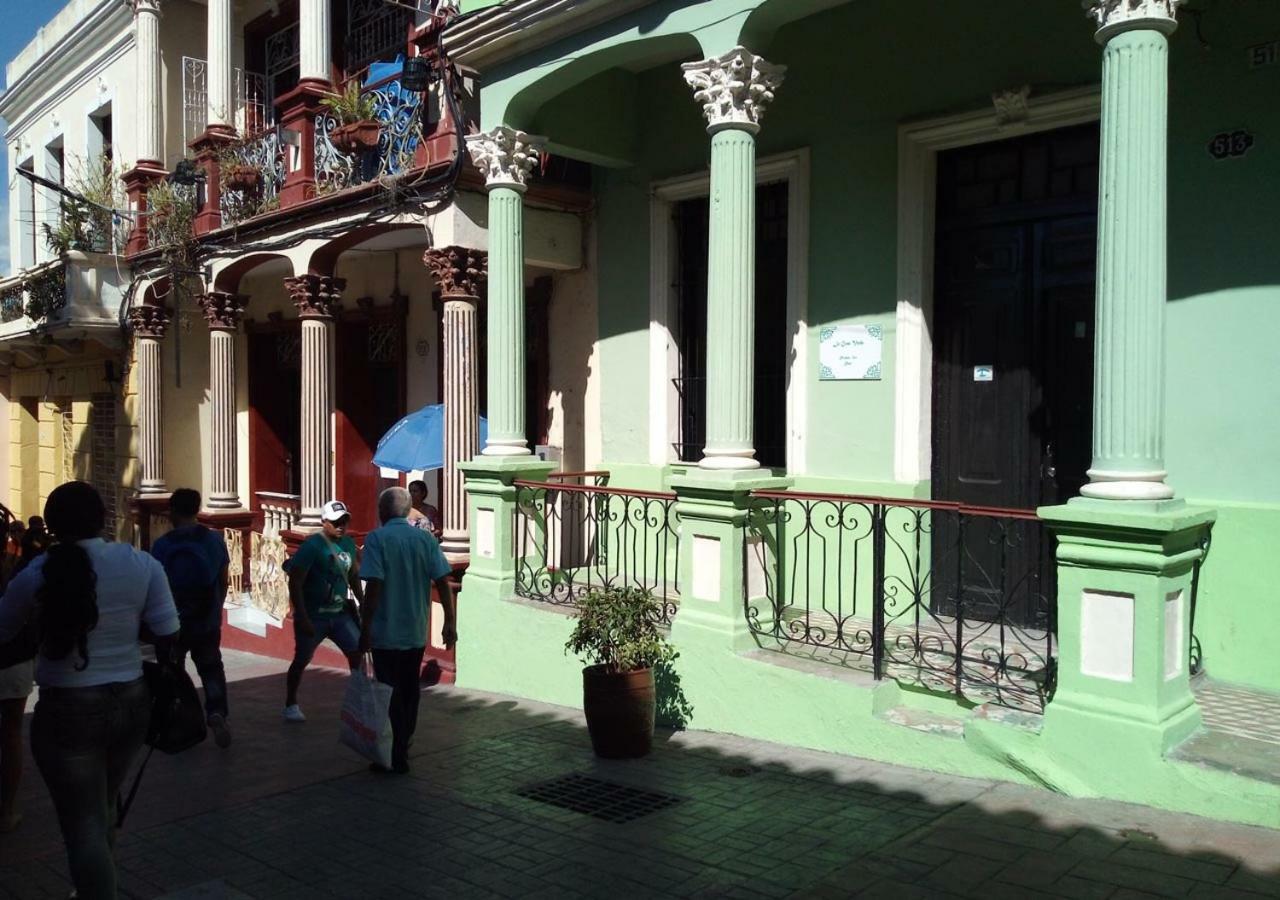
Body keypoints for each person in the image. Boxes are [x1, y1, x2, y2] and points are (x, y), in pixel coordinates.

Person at [0, 481, 179, 899]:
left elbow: (4, 631)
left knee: (81, 823)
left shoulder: (38, 573)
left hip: (67, 707)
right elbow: (168, 632)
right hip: (132, 701)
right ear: (103, 518)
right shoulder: (141, 564)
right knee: (103, 807)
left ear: (55, 525)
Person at [359, 487, 456, 774]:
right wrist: (449, 620)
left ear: (382, 512)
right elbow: (442, 579)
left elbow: (373, 586)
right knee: (409, 689)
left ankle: (396, 748)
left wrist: (365, 626)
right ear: (407, 510)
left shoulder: (377, 539)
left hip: (386, 631)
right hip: (414, 629)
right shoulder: (424, 539)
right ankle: (402, 744)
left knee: (389, 690)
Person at [149, 489, 232, 749]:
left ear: (172, 511)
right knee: (211, 668)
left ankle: (181, 718)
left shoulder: (162, 546)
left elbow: (156, 588)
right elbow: (223, 578)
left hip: (172, 623)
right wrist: (216, 608)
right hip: (206, 620)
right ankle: (217, 712)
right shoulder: (214, 541)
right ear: (197, 509)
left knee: (173, 671)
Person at [282, 500, 364, 722]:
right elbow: (296, 582)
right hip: (314, 615)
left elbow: (354, 576)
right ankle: (291, 702)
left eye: (345, 521)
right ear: (324, 522)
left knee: (357, 653)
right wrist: (301, 615)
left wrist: (362, 602)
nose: (341, 526)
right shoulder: (311, 547)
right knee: (302, 659)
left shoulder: (348, 544)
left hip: (339, 613)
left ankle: (358, 698)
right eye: (337, 522)